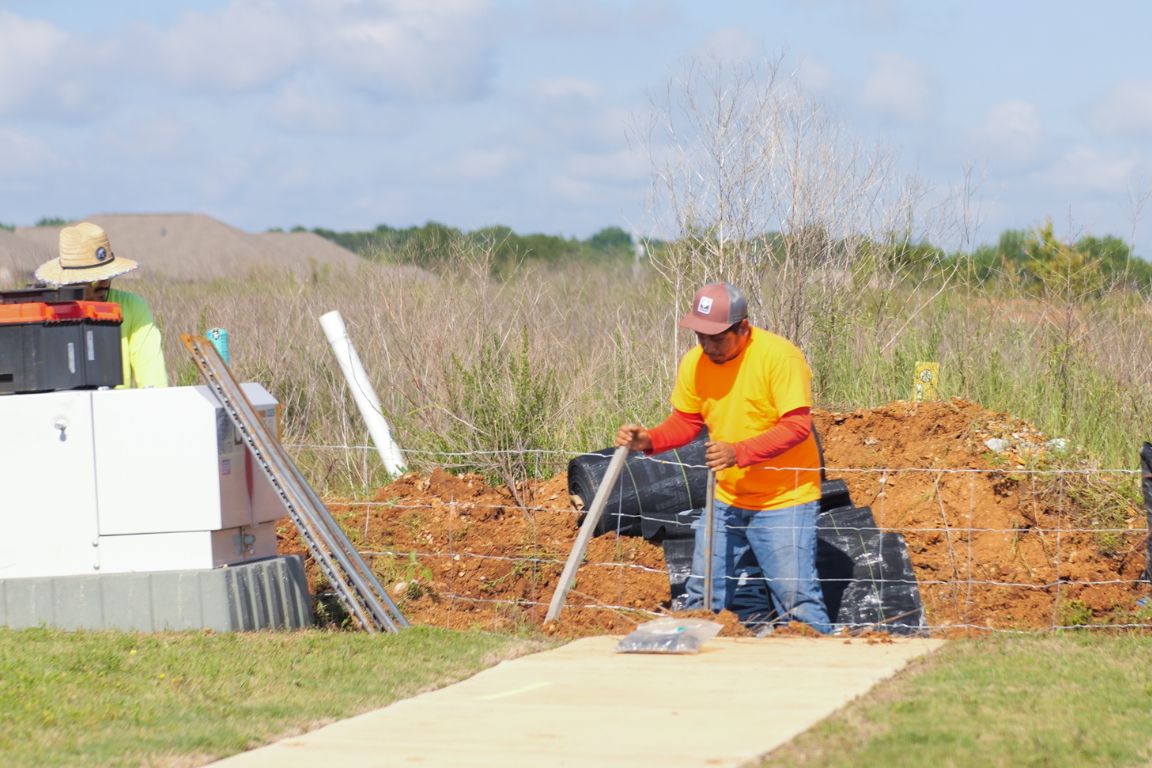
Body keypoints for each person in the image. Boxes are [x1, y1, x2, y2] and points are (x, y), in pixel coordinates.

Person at [615, 282, 832, 634]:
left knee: (796, 602)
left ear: (743, 327)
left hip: (784, 500)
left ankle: (823, 677)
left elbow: (796, 426)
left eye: (717, 338)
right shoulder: (695, 363)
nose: (708, 347)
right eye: (701, 337)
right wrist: (649, 439)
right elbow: (686, 421)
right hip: (726, 500)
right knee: (702, 596)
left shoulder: (779, 357)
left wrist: (740, 452)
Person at [34, 221, 169, 389]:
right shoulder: (44, 313)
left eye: (108, 275)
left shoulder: (133, 307)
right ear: (72, 282)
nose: (104, 282)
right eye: (95, 278)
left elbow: (154, 384)